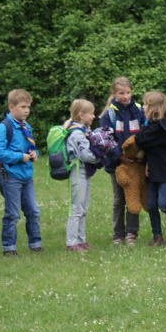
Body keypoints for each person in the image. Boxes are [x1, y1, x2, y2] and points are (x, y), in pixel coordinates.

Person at [0, 89, 42, 256]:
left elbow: (31, 147)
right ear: (11, 107)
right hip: (10, 175)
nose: (26, 110)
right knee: (12, 214)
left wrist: (34, 153)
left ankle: (35, 244)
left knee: (33, 211)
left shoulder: (26, 126)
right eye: (22, 107)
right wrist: (20, 157)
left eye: (28, 107)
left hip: (27, 175)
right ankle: (9, 247)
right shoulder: (3, 127)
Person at [134, 91, 166, 246]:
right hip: (153, 169)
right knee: (151, 205)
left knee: (163, 203)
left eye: (145, 104)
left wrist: (141, 134)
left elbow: (140, 140)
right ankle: (157, 235)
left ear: (153, 108)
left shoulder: (162, 127)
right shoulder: (152, 124)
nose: (142, 107)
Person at [100, 77, 144, 245]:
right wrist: (120, 156)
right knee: (119, 199)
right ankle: (118, 233)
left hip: (137, 162)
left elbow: (145, 132)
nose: (125, 96)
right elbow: (105, 139)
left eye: (128, 93)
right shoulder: (109, 114)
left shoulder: (139, 110)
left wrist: (140, 154)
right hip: (117, 163)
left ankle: (132, 232)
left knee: (133, 196)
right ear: (114, 94)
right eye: (121, 93)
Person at [64, 99, 100, 251]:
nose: (93, 116)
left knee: (83, 207)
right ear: (81, 115)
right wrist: (101, 156)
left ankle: (81, 239)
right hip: (78, 171)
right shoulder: (77, 134)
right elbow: (86, 155)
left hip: (85, 172)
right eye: (91, 113)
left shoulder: (85, 131)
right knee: (77, 208)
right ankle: (71, 242)